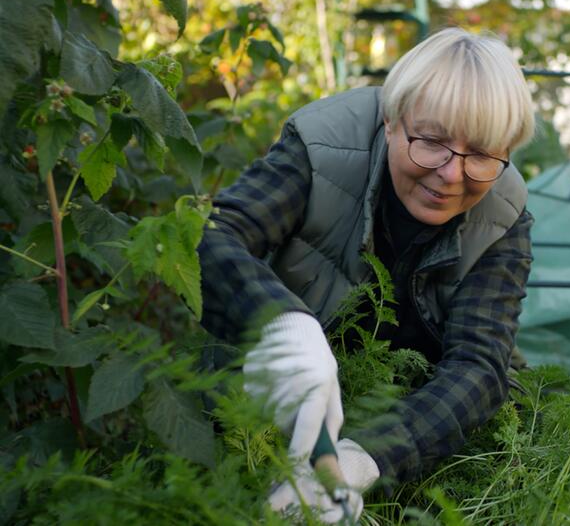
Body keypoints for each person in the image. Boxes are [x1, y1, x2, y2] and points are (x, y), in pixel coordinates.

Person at [197, 27, 536, 520]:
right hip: (293, 390)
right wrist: (282, 325)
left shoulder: (503, 211)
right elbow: (213, 236)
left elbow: (479, 367)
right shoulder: (321, 148)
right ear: (392, 120)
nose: (451, 174)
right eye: (432, 141)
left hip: (410, 409)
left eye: (482, 155)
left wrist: (362, 459)